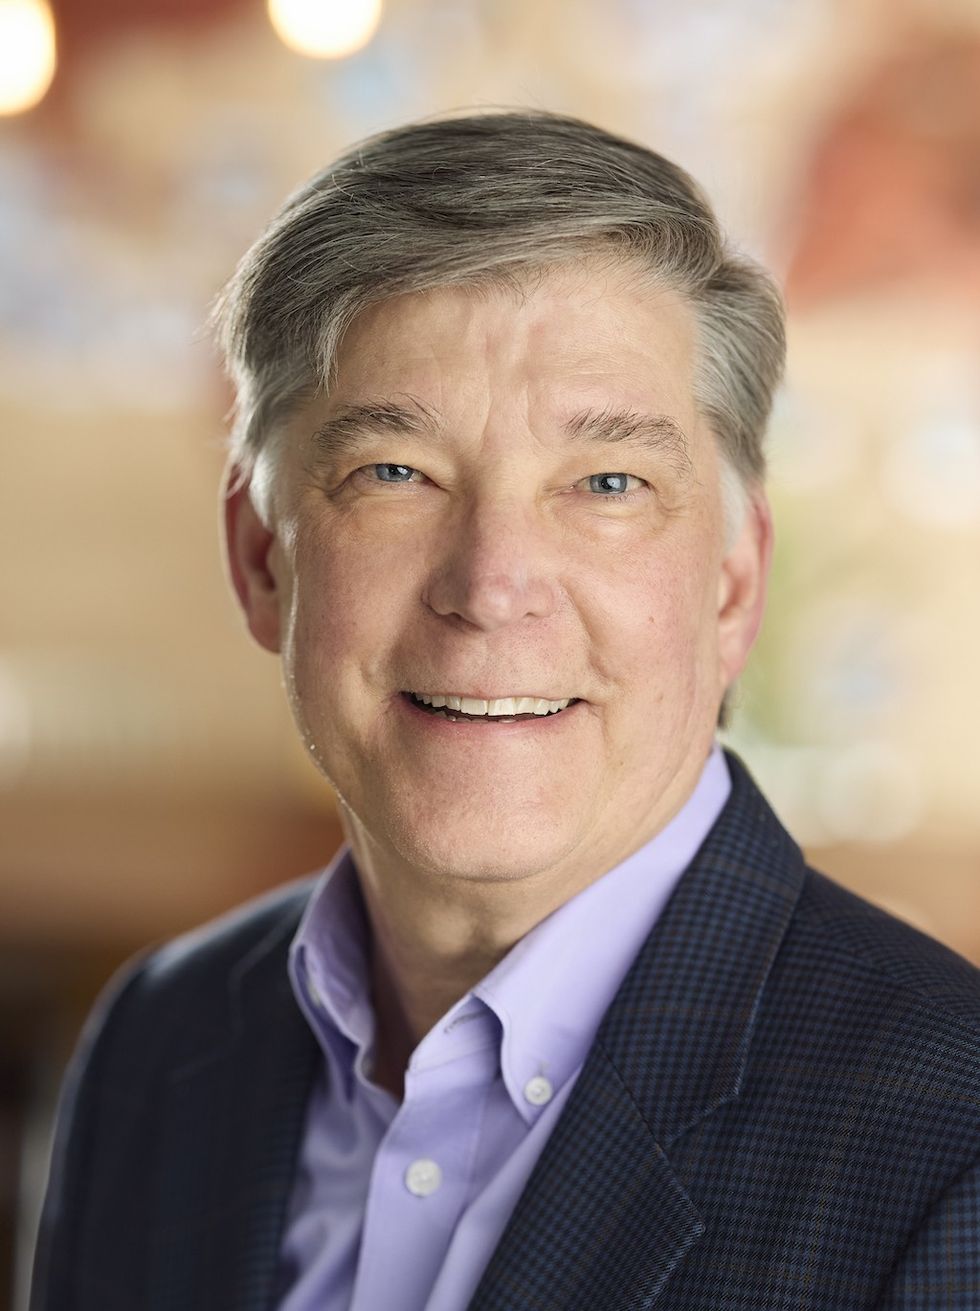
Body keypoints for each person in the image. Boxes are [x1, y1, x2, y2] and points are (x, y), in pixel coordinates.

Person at [32, 111, 980, 1311]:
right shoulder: (160, 1044)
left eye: (604, 484)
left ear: (732, 583)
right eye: (395, 475)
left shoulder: (953, 1145)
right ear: (262, 560)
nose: (488, 588)